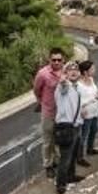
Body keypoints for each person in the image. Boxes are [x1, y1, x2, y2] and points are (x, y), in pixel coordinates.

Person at [53, 61, 85, 194]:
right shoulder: (64, 87)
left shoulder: (76, 87)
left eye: (76, 70)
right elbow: (63, 85)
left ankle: (71, 176)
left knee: (72, 155)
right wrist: (62, 79)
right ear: (65, 74)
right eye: (70, 70)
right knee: (65, 157)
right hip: (65, 127)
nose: (73, 72)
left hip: (75, 125)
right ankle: (60, 184)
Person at [33, 48, 65, 178]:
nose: (56, 62)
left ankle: (57, 162)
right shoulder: (42, 74)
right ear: (49, 59)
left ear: (63, 60)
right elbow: (36, 90)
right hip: (48, 112)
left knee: (58, 140)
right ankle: (48, 165)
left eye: (59, 60)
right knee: (47, 141)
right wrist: (43, 102)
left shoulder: (66, 72)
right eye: (54, 60)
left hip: (62, 113)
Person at [75, 60, 98, 165]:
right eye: (92, 69)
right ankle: (79, 157)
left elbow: (94, 93)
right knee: (84, 135)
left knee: (94, 130)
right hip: (86, 114)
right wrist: (92, 99)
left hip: (95, 111)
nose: (94, 70)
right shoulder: (78, 85)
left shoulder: (91, 79)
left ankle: (90, 149)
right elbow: (78, 101)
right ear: (85, 72)